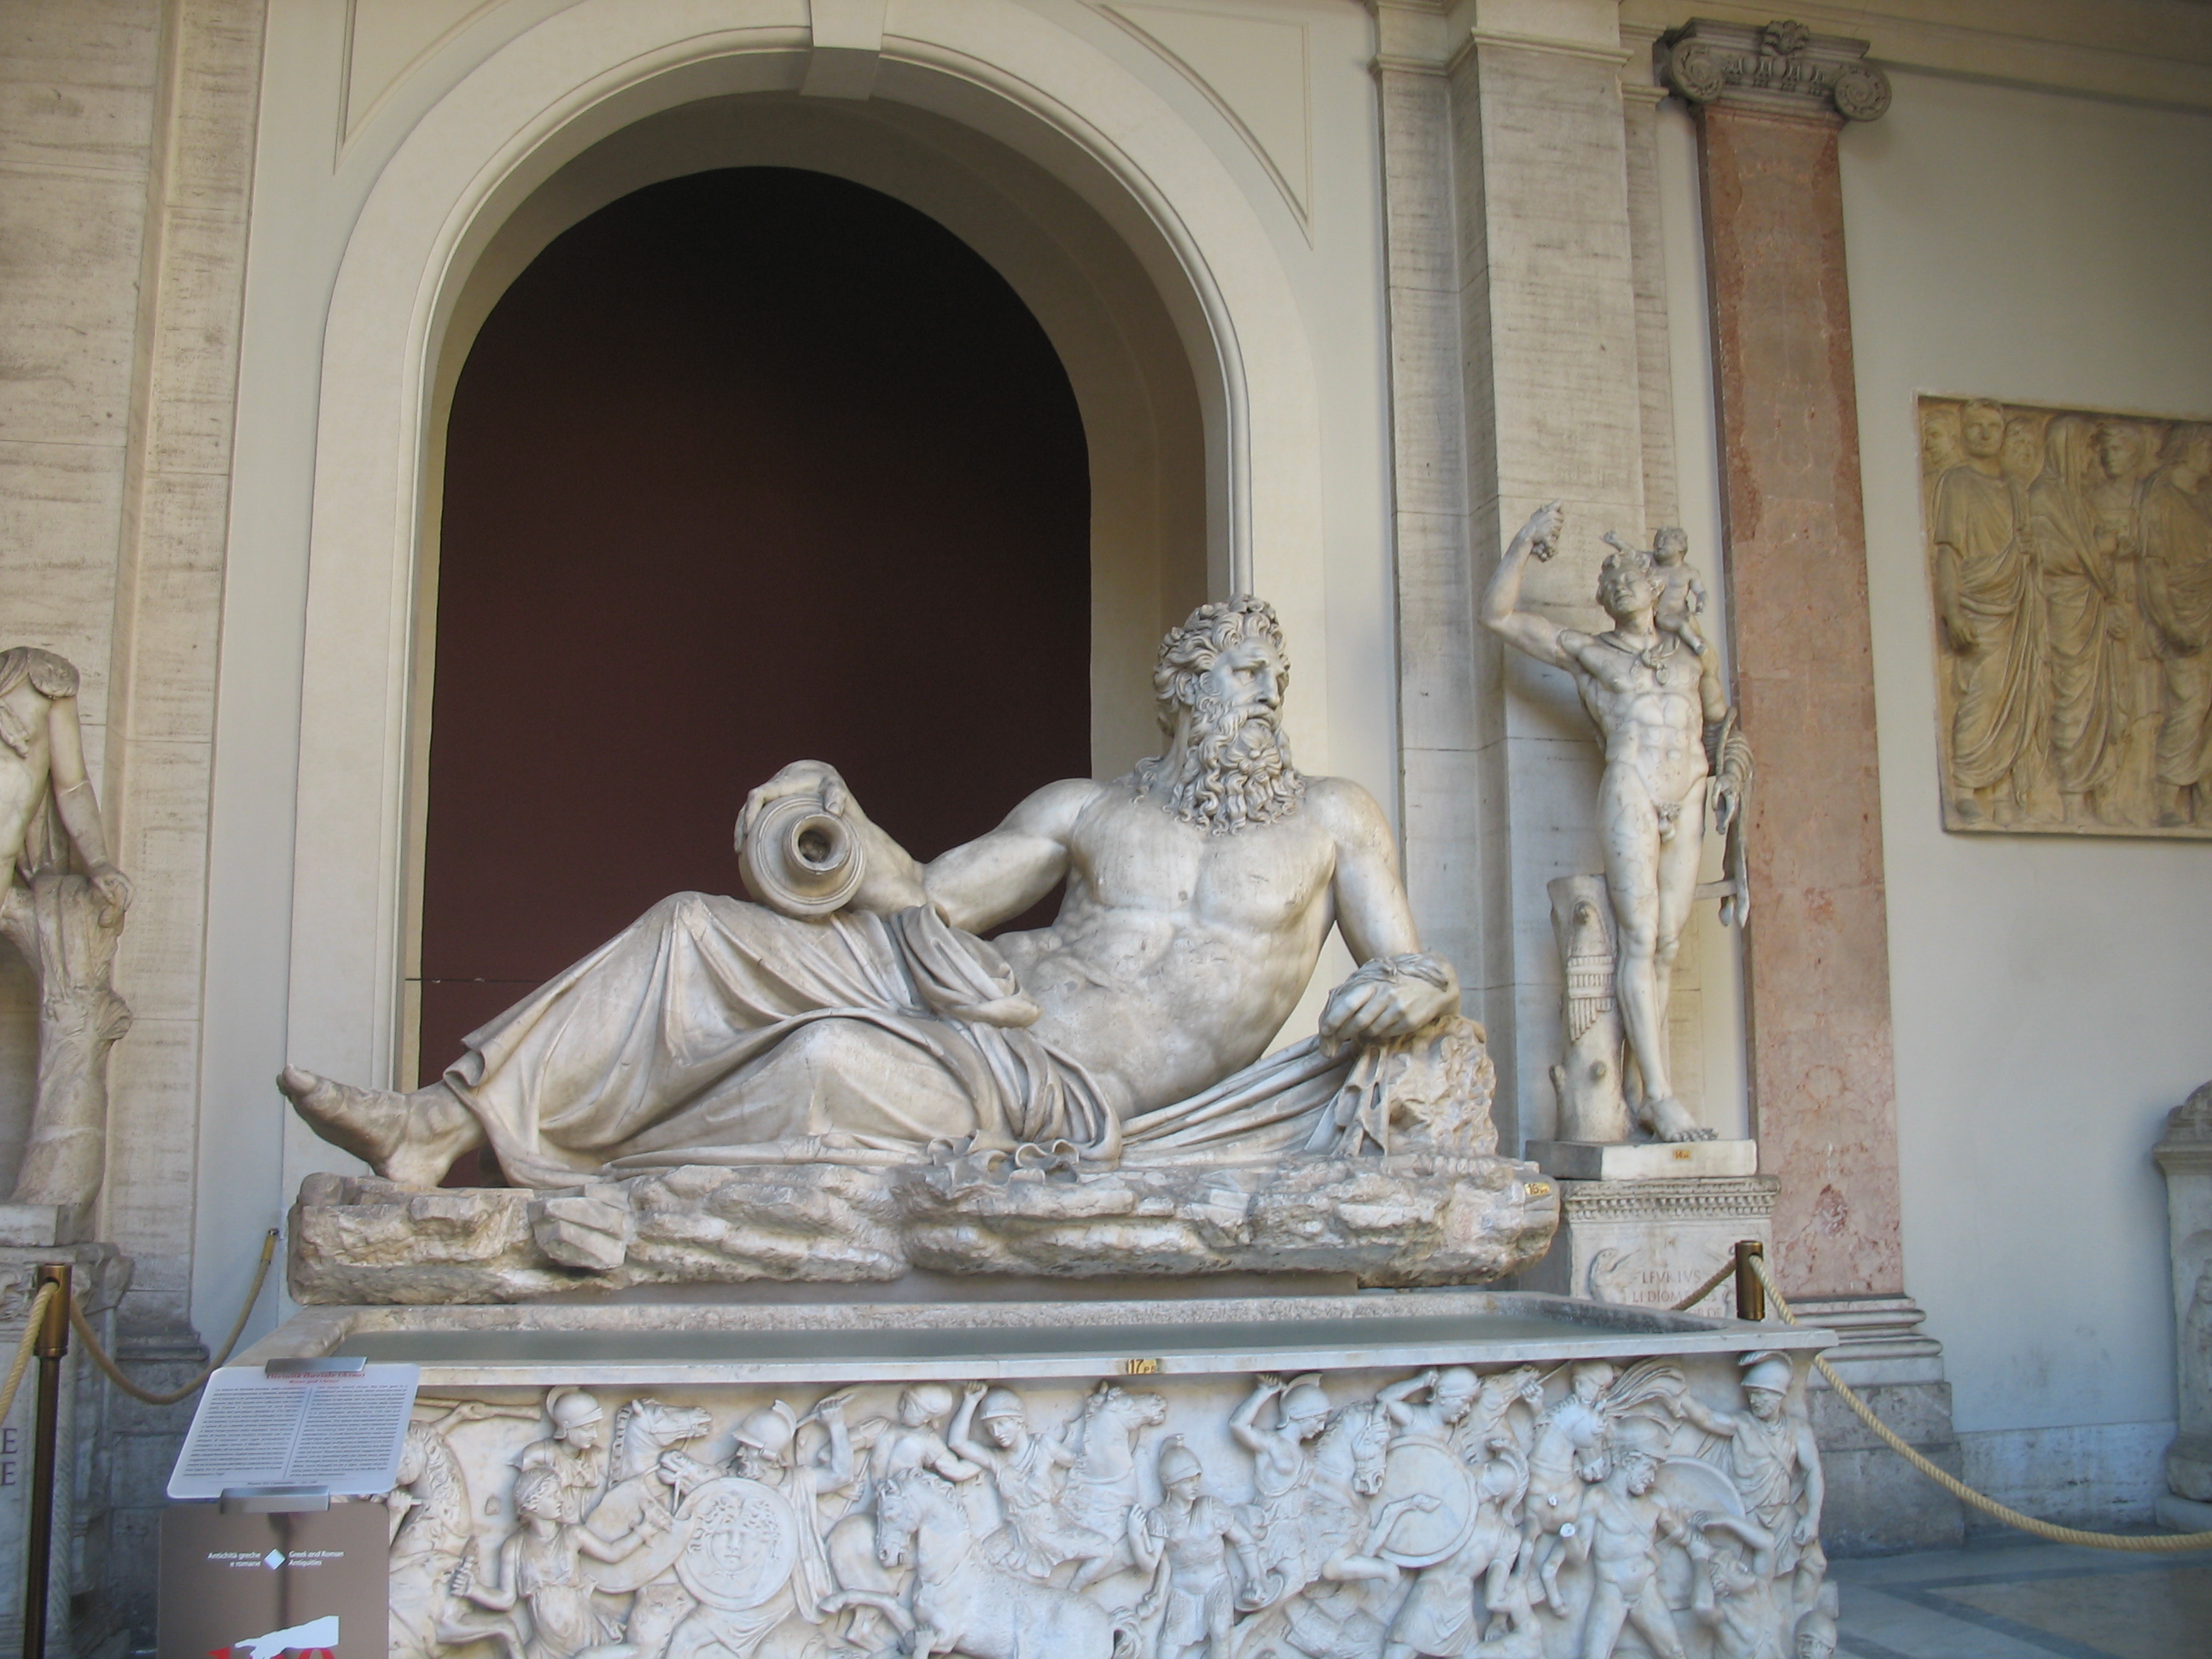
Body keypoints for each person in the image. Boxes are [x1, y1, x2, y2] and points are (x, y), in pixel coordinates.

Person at [277, 598, 1461, 1187]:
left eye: (1270, 676)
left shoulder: (1332, 817)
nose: (1262, 695)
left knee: (822, 1063)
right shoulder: (1089, 809)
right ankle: (441, 1125)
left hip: (1055, 1088)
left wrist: (1417, 992)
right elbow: (928, 902)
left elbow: (1408, 966)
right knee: (692, 930)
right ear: (1180, 690)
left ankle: (572, 1177)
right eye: (1236, 673)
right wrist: (833, 820)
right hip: (971, 991)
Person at [1481, 504, 1740, 1143]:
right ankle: (1663, 1095)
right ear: (1602, 600)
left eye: (1632, 577)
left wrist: (1732, 775)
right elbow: (1498, 616)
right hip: (1633, 788)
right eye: (1611, 581)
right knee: (1640, 939)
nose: (1622, 585)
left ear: (1654, 588)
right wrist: (1524, 543)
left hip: (1690, 789)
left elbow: (1720, 723)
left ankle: (1640, 1091)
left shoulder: (1691, 658)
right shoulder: (1592, 654)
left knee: (1668, 946)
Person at [1930, 401, 2045, 824]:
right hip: (1979, 600)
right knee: (1985, 690)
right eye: (1975, 426)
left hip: (2016, 603)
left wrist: (2028, 555)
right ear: (1963, 433)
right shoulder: (1957, 482)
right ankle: (1964, 784)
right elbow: (1947, 553)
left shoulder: (2016, 487)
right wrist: (1953, 612)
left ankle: (2001, 791)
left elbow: (2028, 548)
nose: (1983, 434)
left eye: (1992, 427)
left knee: (2018, 692)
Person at [2031, 417, 2134, 824]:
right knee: (2074, 699)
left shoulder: (2078, 499)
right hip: (2066, 609)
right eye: (2086, 447)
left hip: (2092, 608)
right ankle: (2072, 798)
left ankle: (2099, 794)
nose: (2092, 456)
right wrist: (2099, 549)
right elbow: (2047, 555)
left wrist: (2109, 549)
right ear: (2066, 448)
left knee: (2099, 701)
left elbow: (2091, 548)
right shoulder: (2043, 495)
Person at [949, 1382, 1113, 1585]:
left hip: (1051, 1533)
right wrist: (970, 1401)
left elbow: (1080, 1465)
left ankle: (1074, 1592)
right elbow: (957, 1443)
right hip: (1015, 1537)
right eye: (990, 1428)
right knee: (973, 1566)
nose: (996, 1432)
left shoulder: (1045, 1446)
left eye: (1002, 1423)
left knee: (1105, 1550)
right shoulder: (998, 1460)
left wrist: (1096, 1415)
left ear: (1019, 1420)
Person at [1127, 1436, 1260, 1659]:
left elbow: (1244, 1540)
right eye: (1188, 1481)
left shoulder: (1211, 1507)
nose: (1195, 1485)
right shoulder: (1160, 1517)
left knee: (1220, 1633)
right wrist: (1135, 1535)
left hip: (1216, 1584)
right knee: (1168, 1648)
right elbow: (1150, 1564)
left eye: (1197, 1478)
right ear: (1171, 1485)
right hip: (1183, 1591)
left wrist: (1255, 1578)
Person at [2140, 424, 2212, 824]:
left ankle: (2206, 801)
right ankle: (2167, 798)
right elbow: (2153, 567)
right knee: (2191, 703)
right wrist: (2170, 623)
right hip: (2183, 616)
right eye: (2206, 447)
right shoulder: (2161, 497)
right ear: (2186, 449)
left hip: (2209, 607)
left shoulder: (2205, 501)